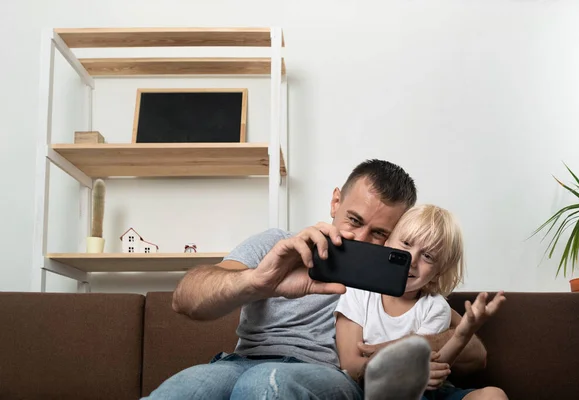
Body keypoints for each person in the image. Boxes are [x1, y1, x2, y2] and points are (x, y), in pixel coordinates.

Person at [143, 159, 488, 399]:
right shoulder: (277, 242)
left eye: (380, 233)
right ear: (335, 201)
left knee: (266, 384)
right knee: (183, 391)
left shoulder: (390, 274)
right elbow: (185, 299)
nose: (359, 239)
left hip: (324, 377)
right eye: (353, 220)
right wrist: (260, 281)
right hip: (238, 363)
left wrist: (409, 347)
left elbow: (473, 352)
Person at [335, 204, 507, 400]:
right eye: (406, 244)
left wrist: (462, 333)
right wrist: (391, 372)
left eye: (428, 256)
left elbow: (435, 369)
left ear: (437, 273)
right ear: (387, 243)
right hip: (376, 390)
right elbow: (349, 363)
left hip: (428, 392)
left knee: (494, 395)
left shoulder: (435, 306)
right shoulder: (358, 292)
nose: (412, 260)